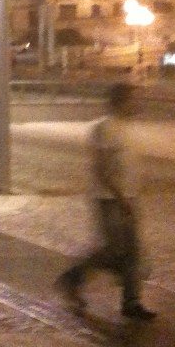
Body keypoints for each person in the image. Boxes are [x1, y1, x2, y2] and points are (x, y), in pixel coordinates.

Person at [56, 82, 157, 320]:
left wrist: (135, 192)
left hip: (128, 197)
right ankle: (72, 278)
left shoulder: (127, 128)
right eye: (134, 99)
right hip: (109, 199)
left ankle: (131, 302)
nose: (139, 103)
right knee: (112, 250)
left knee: (132, 251)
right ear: (121, 101)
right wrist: (121, 197)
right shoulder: (104, 128)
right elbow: (101, 168)